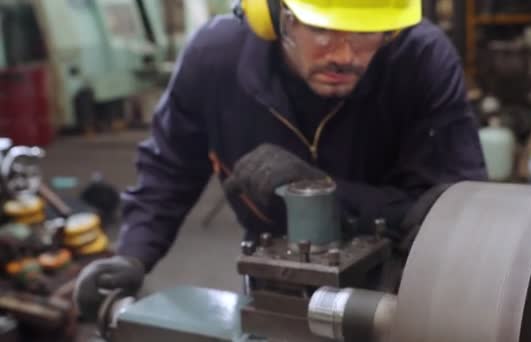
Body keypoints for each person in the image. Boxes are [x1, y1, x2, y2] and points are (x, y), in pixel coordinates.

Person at [74, 0, 487, 319]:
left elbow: (455, 212)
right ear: (272, 15)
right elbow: (168, 170)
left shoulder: (421, 61)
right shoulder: (213, 59)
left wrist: (328, 193)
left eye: (365, 33)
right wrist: (132, 254)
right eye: (322, 30)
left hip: (396, 286)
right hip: (274, 285)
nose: (345, 54)